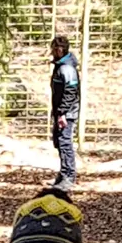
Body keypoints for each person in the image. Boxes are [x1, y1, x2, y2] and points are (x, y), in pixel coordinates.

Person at [50, 36, 80, 192]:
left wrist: (62, 112)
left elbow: (70, 91)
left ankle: (69, 176)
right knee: (59, 142)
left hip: (67, 113)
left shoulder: (67, 68)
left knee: (65, 143)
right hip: (60, 111)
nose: (56, 51)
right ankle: (63, 174)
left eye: (59, 48)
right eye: (54, 48)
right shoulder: (60, 66)